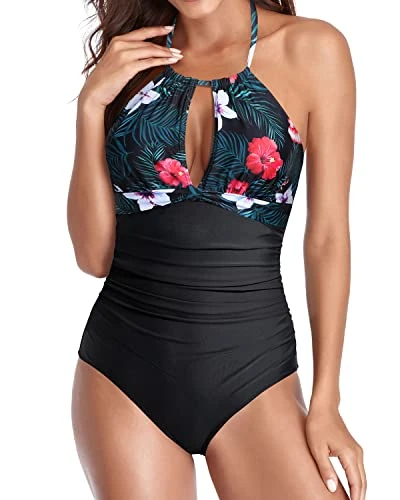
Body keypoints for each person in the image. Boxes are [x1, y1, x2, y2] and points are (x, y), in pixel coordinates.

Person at [67, 0, 366, 498]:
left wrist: (326, 401)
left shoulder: (312, 49)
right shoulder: (132, 61)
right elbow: (93, 257)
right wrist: (90, 107)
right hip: (123, 372)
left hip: (254, 372)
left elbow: (328, 237)